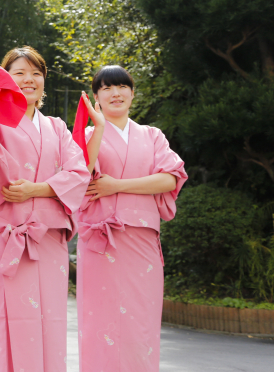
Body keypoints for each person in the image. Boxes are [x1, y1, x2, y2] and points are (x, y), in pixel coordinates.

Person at [0, 46, 89, 372]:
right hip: (7, 240)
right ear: (5, 79)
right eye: (19, 73)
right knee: (6, 323)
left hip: (48, 242)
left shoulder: (57, 128)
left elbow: (78, 174)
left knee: (51, 321)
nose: (28, 79)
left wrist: (37, 190)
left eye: (36, 73)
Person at [76, 65, 187, 371]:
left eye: (122, 86)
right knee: (101, 321)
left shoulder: (152, 135)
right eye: (107, 88)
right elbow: (80, 177)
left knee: (141, 323)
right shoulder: (86, 135)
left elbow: (170, 179)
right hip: (101, 242)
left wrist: (116, 186)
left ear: (132, 93)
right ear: (96, 97)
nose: (116, 93)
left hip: (142, 243)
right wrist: (97, 128)